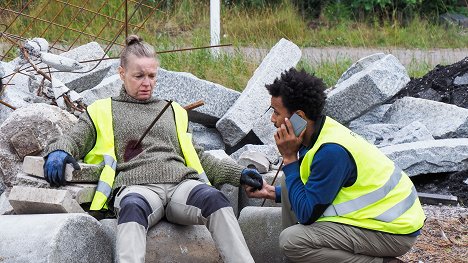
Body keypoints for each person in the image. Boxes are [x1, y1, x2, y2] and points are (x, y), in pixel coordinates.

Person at [43, 35, 262, 263]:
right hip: (137, 188)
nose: (146, 82)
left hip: (182, 186)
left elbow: (198, 157)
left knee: (215, 200)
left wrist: (238, 174)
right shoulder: (102, 110)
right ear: (122, 74)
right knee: (131, 207)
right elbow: (73, 139)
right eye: (139, 76)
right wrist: (59, 151)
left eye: (151, 76)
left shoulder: (173, 110)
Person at [245, 68, 426, 263]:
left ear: (298, 116)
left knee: (293, 241)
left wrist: (289, 157)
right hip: (379, 220)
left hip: (393, 230)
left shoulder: (330, 151)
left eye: (276, 112)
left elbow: (307, 215)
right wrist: (271, 192)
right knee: (289, 181)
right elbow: (319, 190)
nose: (272, 119)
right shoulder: (317, 133)